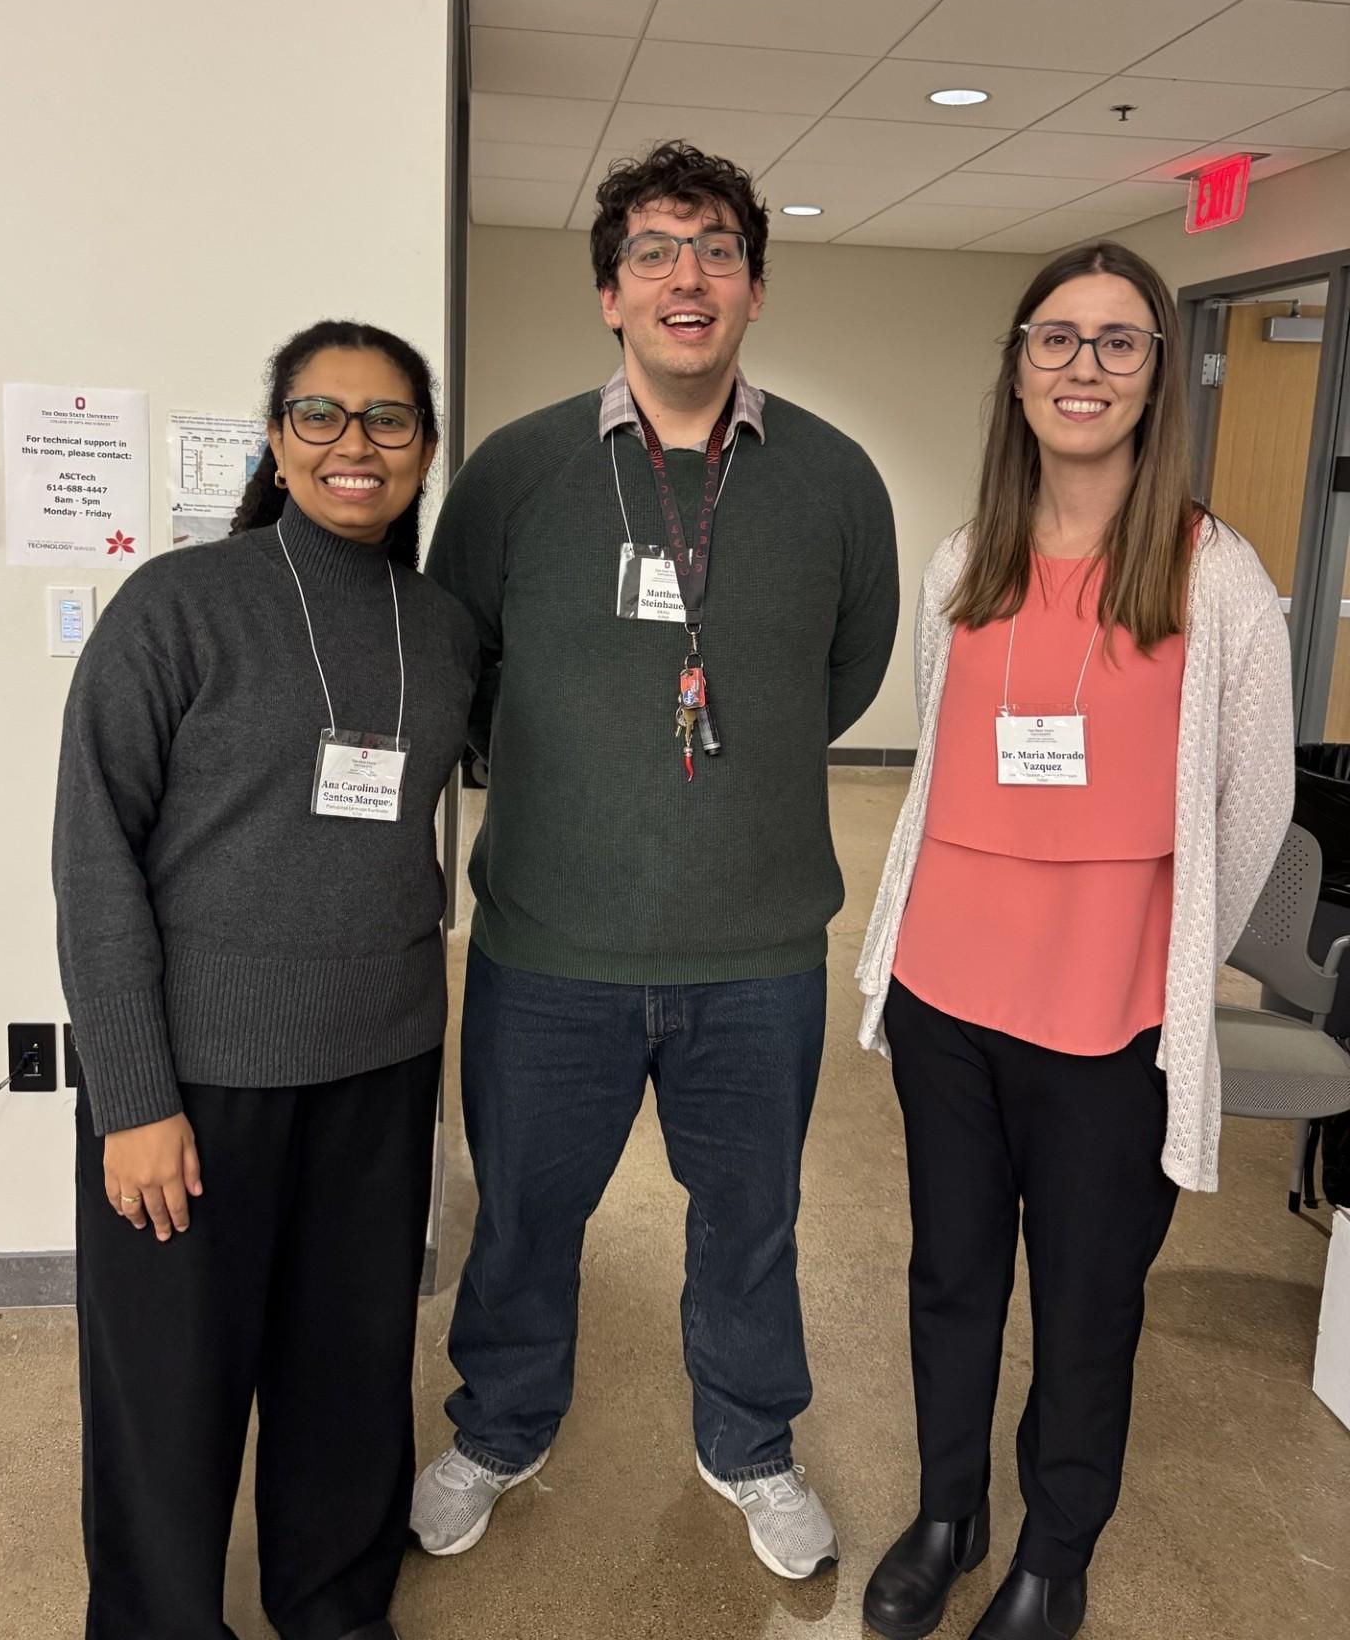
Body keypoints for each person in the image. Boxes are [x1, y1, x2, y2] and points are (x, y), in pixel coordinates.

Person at [412, 141, 899, 1580]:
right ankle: (499, 1428)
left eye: (716, 250)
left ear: (755, 284)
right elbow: (461, 658)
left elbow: (847, 672)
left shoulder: (832, 478)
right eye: (654, 253)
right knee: (523, 1218)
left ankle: (749, 1443)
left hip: (754, 954)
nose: (687, 277)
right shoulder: (516, 472)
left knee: (752, 1224)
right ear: (610, 296)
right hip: (548, 945)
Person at [855, 243, 1294, 1640]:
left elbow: (1255, 799)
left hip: (1113, 1020)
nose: (1083, 368)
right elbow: (937, 773)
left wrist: (1170, 957)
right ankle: (946, 1511)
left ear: (1159, 374)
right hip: (947, 992)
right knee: (951, 1277)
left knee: (1090, 1298)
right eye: (1057, 339)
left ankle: (1056, 1546)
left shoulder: (1214, 575)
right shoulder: (962, 560)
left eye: (1118, 342)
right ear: (1019, 367)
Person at [53, 321, 477, 1640]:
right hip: (199, 1079)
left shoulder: (446, 626)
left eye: (389, 419)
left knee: (348, 1371)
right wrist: (130, 1097)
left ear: (424, 446)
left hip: (381, 1060)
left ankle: (337, 1607)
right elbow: (95, 856)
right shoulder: (179, 605)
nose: (357, 444)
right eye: (322, 415)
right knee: (170, 1390)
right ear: (277, 442)